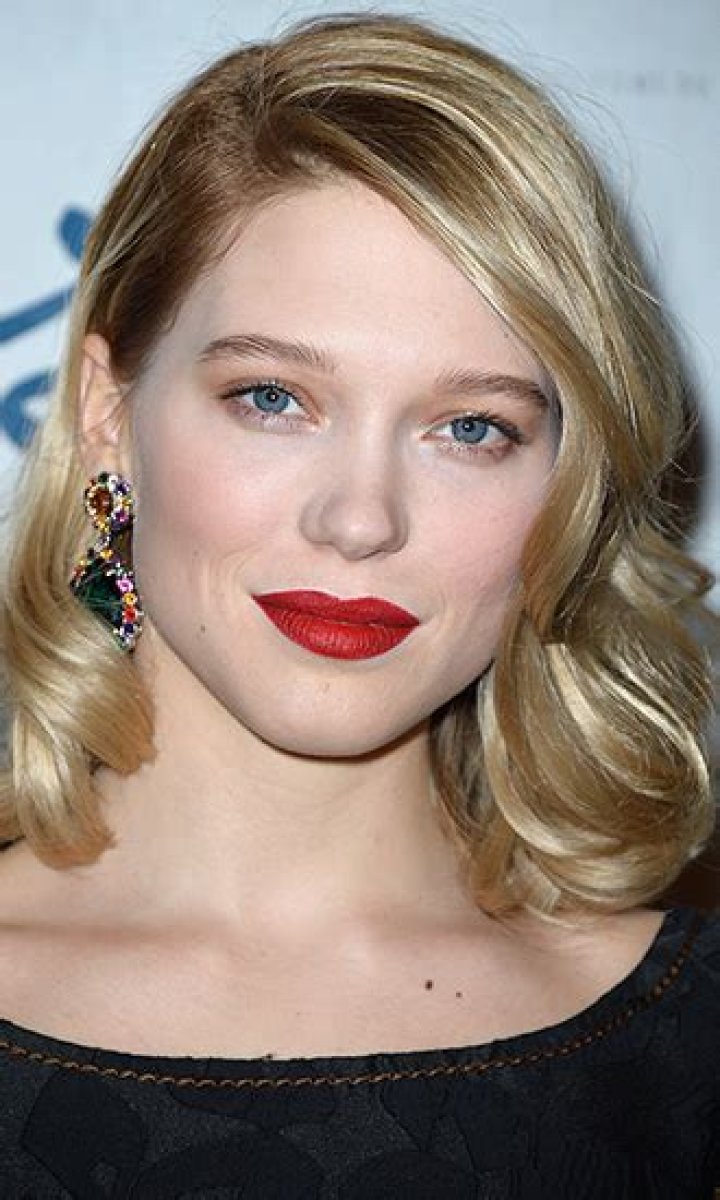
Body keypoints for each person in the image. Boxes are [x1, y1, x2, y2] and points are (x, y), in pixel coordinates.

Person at [0, 11, 717, 1196]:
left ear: (568, 481)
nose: (361, 520)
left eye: (471, 427)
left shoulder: (693, 1051)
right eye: (273, 398)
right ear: (106, 413)